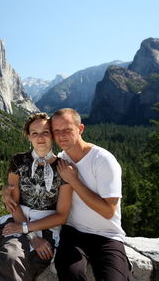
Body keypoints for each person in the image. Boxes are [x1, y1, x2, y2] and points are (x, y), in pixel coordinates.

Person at [0, 112, 73, 281]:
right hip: (18, 219)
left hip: (48, 226)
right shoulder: (18, 161)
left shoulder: (63, 167)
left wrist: (28, 230)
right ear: (28, 137)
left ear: (53, 135)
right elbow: (13, 203)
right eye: (35, 133)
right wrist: (31, 236)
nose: (40, 138)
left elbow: (62, 216)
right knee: (11, 256)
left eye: (45, 132)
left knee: (35, 260)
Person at [50, 108, 133, 281]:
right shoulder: (61, 160)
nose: (61, 136)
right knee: (70, 273)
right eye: (56, 131)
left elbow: (108, 211)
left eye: (67, 130)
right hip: (73, 234)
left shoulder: (103, 160)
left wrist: (74, 181)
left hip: (107, 236)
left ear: (80, 129)